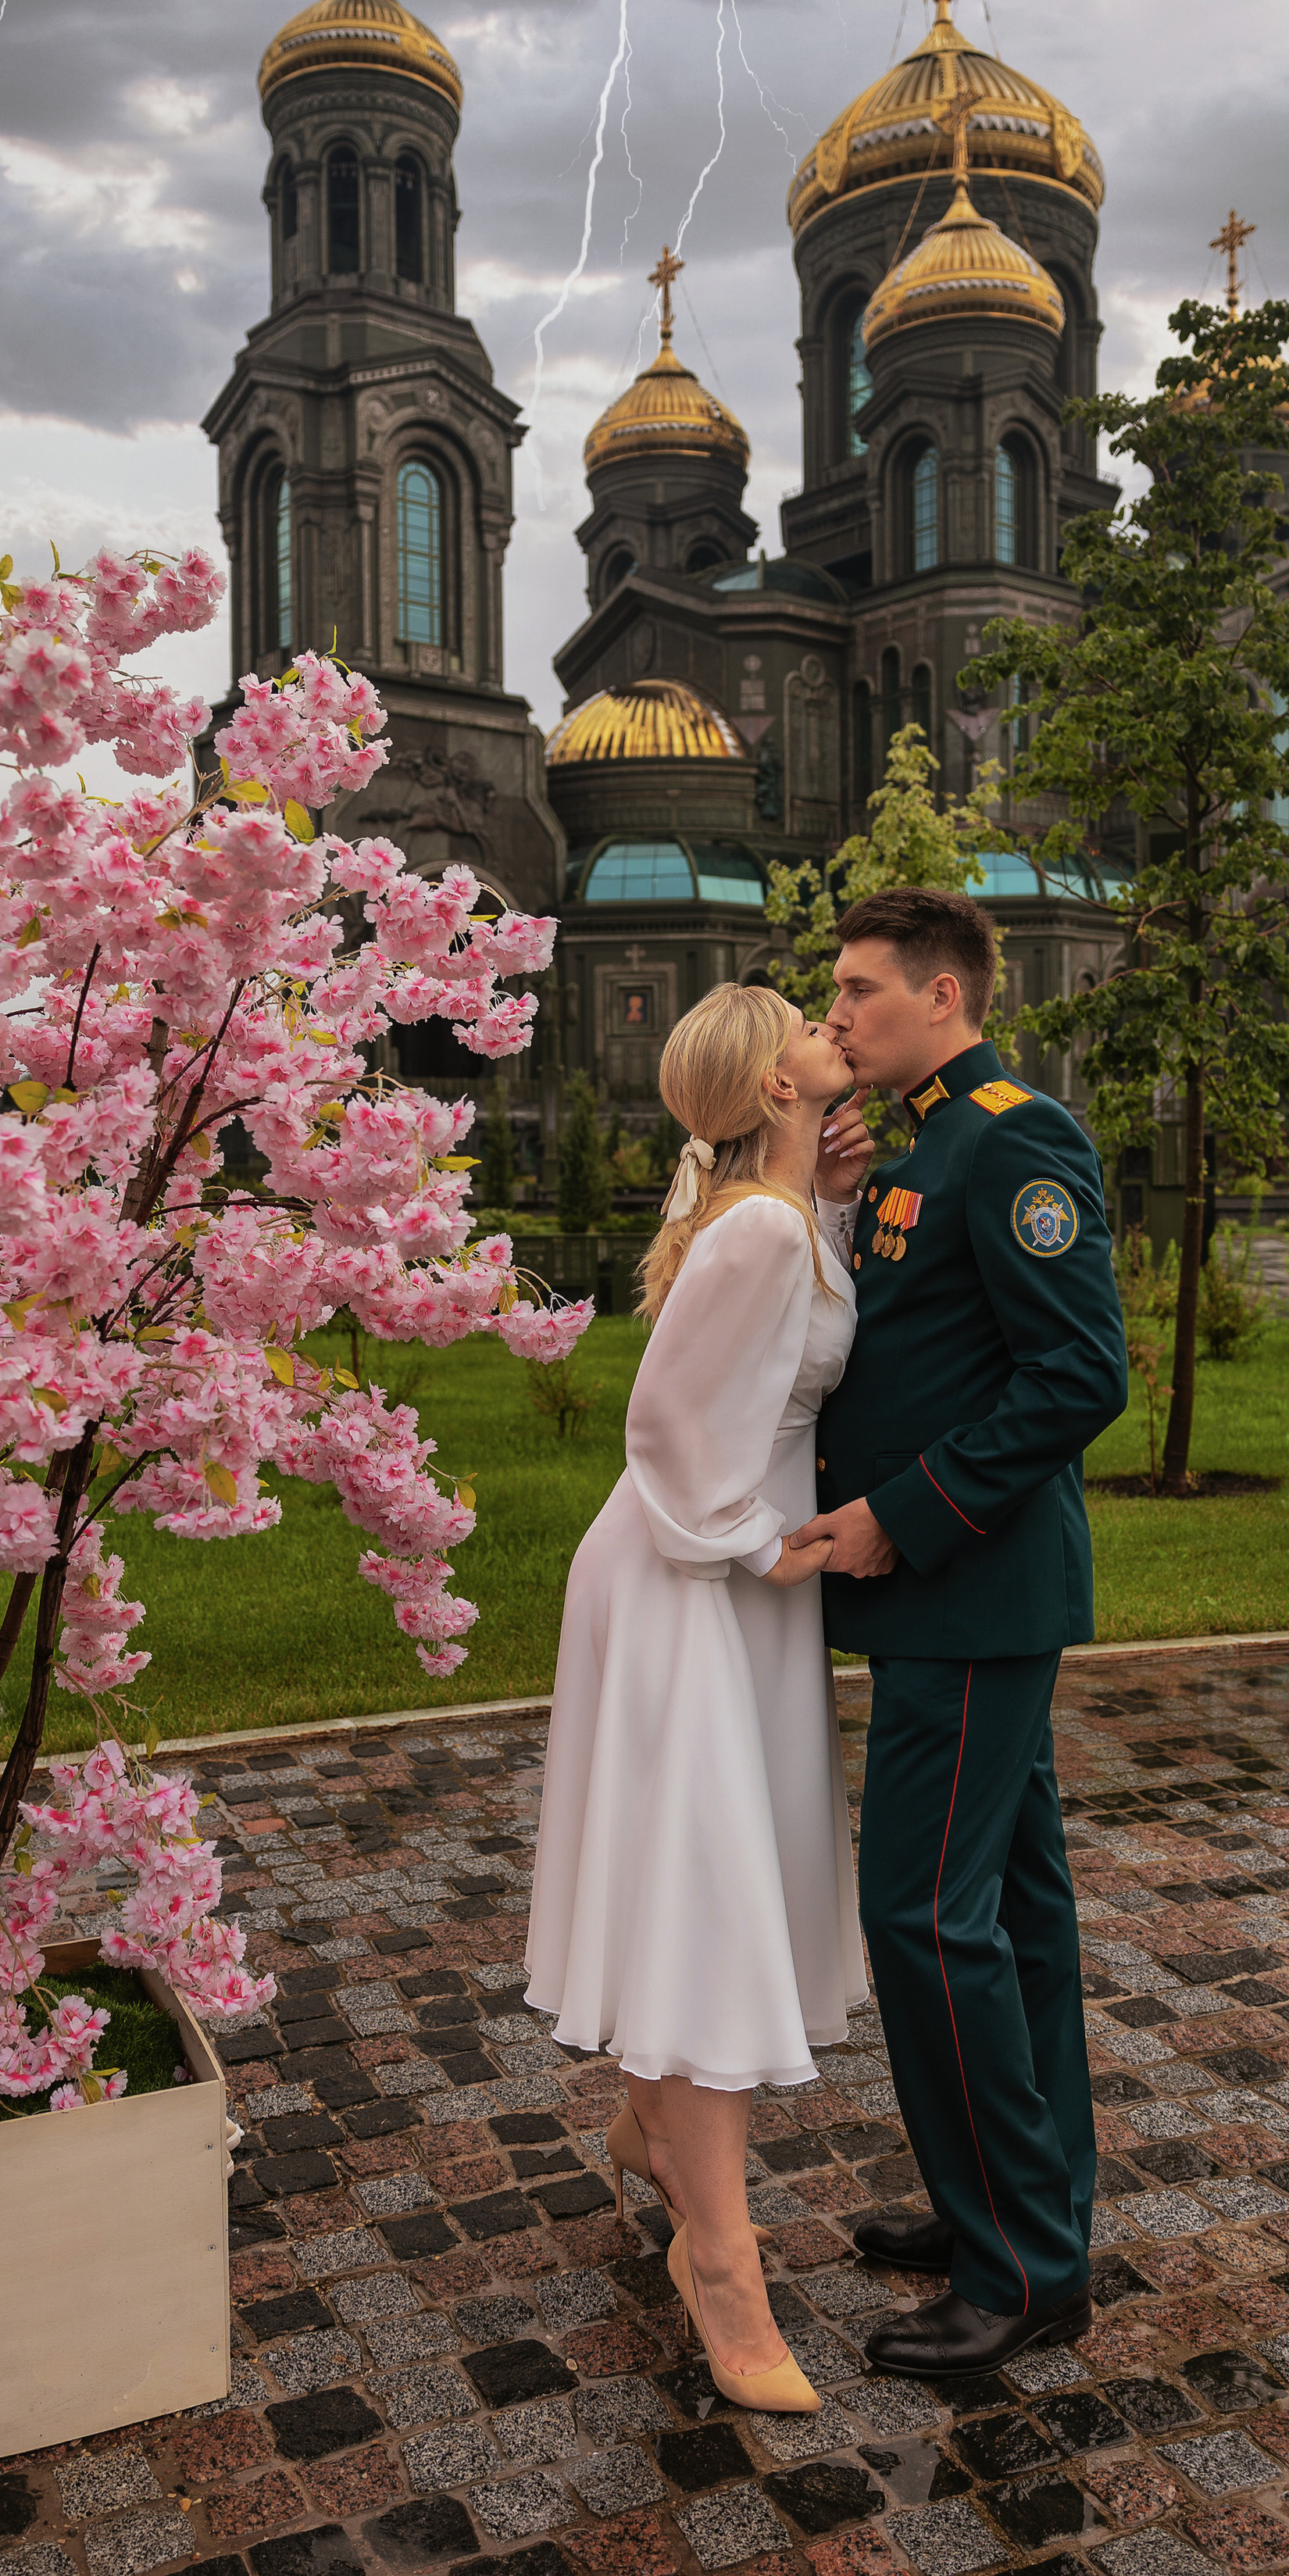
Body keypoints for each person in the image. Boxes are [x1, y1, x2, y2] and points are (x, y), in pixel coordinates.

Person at [789, 886, 1129, 2378]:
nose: (838, 1012)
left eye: (862, 989)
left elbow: (1076, 1380)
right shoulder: (924, 1140)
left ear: (943, 994)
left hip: (972, 1596)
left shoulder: (1014, 1138)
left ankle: (1023, 2271)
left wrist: (898, 1517)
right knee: (1014, 1914)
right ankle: (1007, 2202)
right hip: (954, 1598)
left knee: (926, 1920)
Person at [524, 983, 865, 2413]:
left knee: (713, 1874)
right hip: (694, 1582)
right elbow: (663, 1421)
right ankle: (718, 2264)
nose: (830, 1028)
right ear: (774, 1086)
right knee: (715, 1895)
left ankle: (653, 2125)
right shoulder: (761, 1233)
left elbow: (767, 1375)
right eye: (808, 1023)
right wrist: (745, 1545)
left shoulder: (782, 1218)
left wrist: (832, 1206)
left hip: (721, 1582)